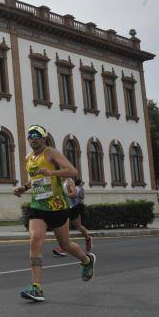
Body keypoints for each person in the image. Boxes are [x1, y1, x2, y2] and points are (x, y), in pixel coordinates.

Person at [14, 125, 96, 302]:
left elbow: (73, 171)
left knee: (65, 245)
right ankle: (36, 288)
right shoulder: (28, 157)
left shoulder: (51, 153)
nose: (33, 138)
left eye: (37, 136)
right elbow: (36, 179)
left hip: (57, 206)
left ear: (44, 139)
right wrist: (24, 187)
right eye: (30, 136)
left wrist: (53, 172)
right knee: (35, 241)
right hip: (38, 206)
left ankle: (86, 260)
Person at [52, 177, 92, 256]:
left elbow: (74, 194)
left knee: (79, 226)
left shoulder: (69, 181)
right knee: (62, 227)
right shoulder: (57, 181)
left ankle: (88, 238)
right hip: (63, 208)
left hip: (73, 207)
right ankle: (62, 248)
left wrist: (64, 195)